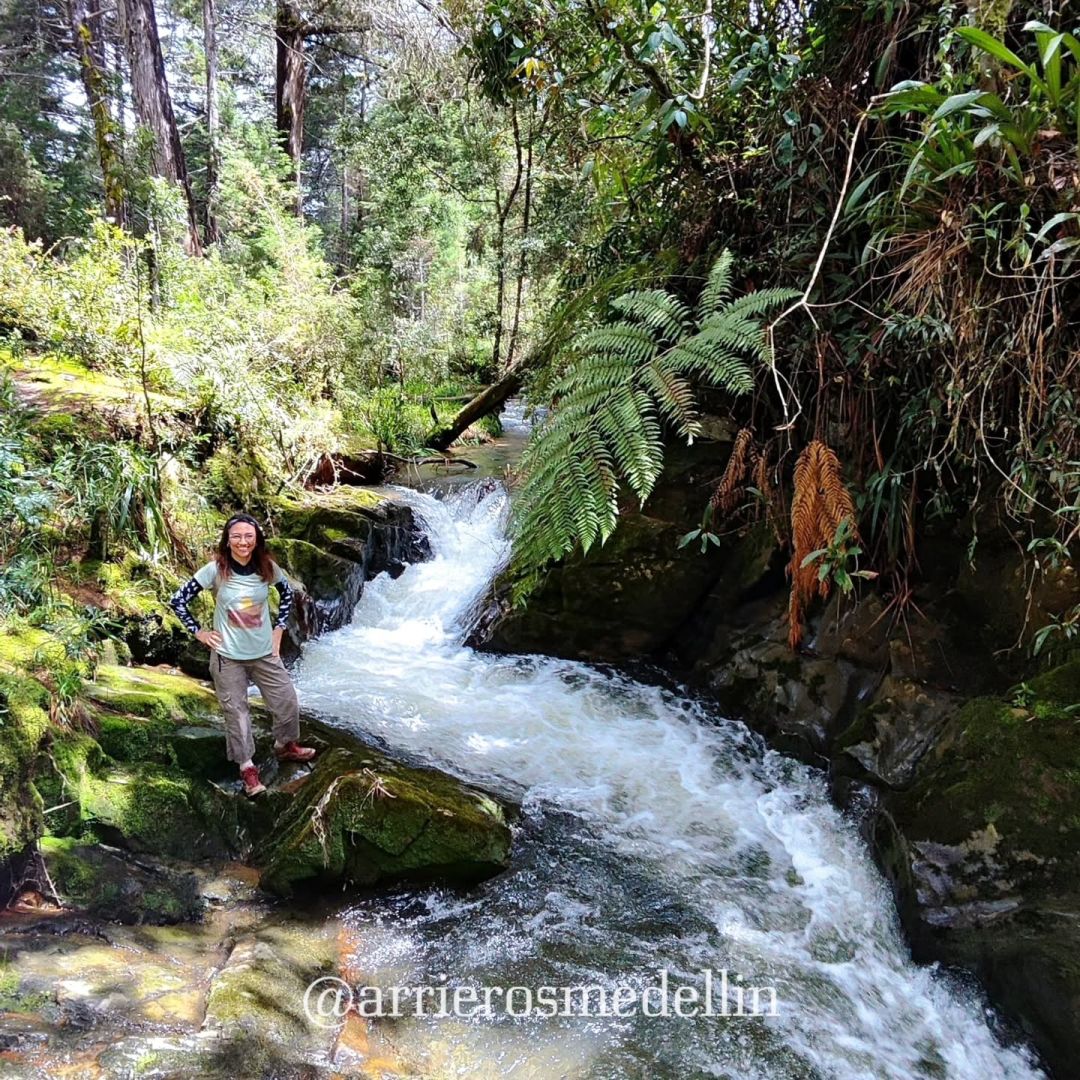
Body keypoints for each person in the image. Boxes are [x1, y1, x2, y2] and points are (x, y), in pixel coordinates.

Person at [169, 513, 316, 797]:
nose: (243, 542)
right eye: (236, 536)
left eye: (249, 536)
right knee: (237, 713)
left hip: (264, 652)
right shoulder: (215, 570)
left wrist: (279, 629)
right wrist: (199, 633)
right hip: (227, 655)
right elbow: (178, 600)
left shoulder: (267, 568)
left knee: (286, 700)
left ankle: (285, 746)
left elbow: (287, 594)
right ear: (227, 540)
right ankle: (247, 769)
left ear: (257, 540)